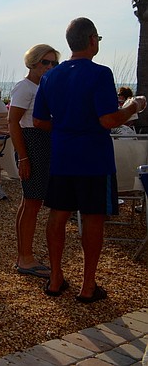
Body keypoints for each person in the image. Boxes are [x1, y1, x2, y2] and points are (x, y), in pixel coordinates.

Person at [33, 17, 147, 303]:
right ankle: (87, 285)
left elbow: (38, 121)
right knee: (93, 217)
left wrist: (65, 129)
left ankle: (56, 277)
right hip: (93, 158)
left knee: (58, 215)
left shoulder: (50, 76)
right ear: (93, 40)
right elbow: (108, 119)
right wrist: (134, 106)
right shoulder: (100, 73)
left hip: (62, 155)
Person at [9, 44, 60, 279]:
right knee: (31, 203)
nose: (49, 67)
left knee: (31, 202)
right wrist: (24, 157)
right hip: (33, 144)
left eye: (53, 63)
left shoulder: (44, 86)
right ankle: (25, 258)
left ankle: (25, 255)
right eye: (45, 62)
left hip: (42, 144)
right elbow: (13, 123)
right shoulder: (25, 87)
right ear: (33, 63)